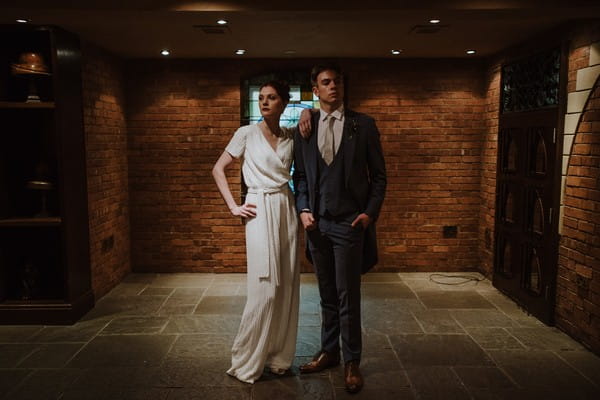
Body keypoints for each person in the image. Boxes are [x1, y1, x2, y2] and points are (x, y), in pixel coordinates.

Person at [293, 64, 387, 394]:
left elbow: (379, 177)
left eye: (338, 81)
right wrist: (303, 208)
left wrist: (369, 214)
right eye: (326, 82)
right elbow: (300, 177)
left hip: (349, 224)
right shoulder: (304, 127)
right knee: (327, 295)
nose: (334, 86)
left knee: (349, 296)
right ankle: (329, 351)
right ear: (315, 90)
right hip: (317, 225)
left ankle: (352, 361)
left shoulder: (363, 125)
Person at [212, 80, 300, 383]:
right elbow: (218, 168)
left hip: (285, 208)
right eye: (261, 98)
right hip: (259, 208)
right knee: (264, 287)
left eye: (272, 98)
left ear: (283, 103)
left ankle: (278, 356)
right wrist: (234, 207)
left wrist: (308, 116)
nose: (264, 102)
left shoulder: (291, 136)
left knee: (286, 284)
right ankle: (247, 358)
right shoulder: (246, 133)